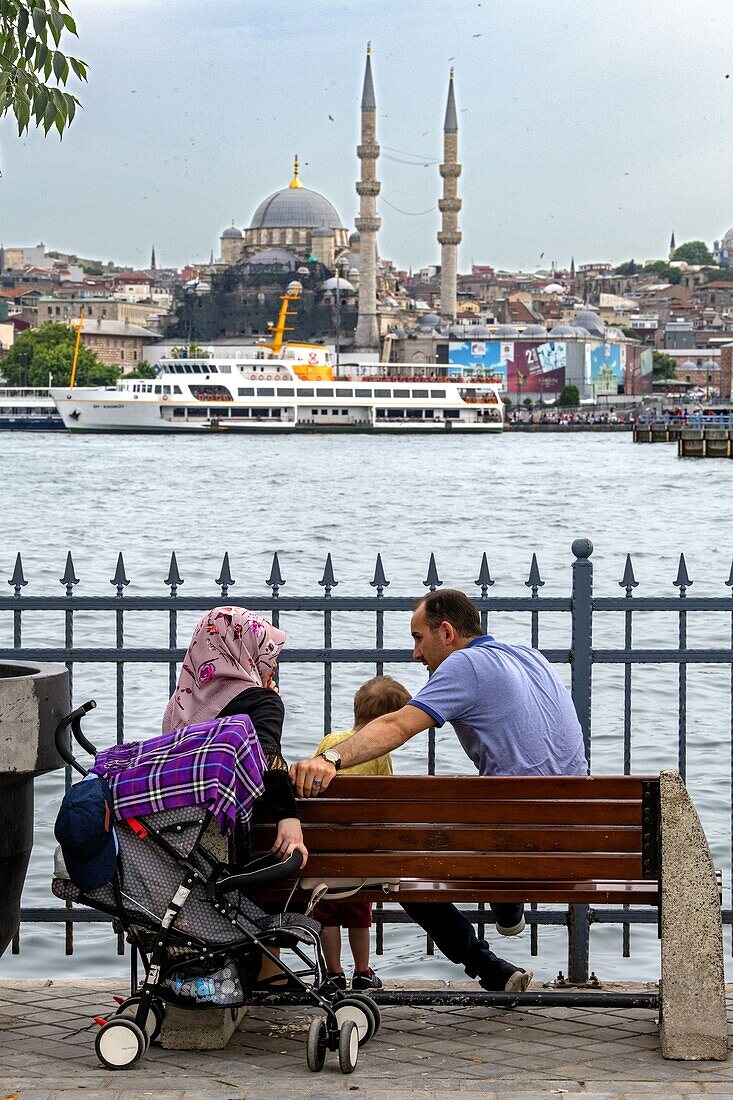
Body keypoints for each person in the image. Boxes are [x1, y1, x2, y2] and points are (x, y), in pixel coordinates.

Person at [290, 589, 588, 994]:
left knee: (399, 868)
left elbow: (397, 726)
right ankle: (507, 897)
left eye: (418, 638)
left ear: (446, 632)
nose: (415, 654)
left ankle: (490, 967)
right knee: (489, 809)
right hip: (580, 834)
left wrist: (331, 760)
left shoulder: (465, 664)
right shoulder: (530, 656)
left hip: (520, 838)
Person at [163, 605, 307, 867]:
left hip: (171, 837)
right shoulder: (262, 702)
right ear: (248, 650)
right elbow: (267, 756)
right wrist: (289, 818)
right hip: (225, 841)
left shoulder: (180, 704)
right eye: (268, 654)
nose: (272, 666)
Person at [311, 675, 411, 991]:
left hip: (325, 857)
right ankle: (363, 972)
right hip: (360, 860)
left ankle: (333, 974)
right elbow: (388, 804)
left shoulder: (330, 744)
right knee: (359, 917)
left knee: (327, 917)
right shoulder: (381, 755)